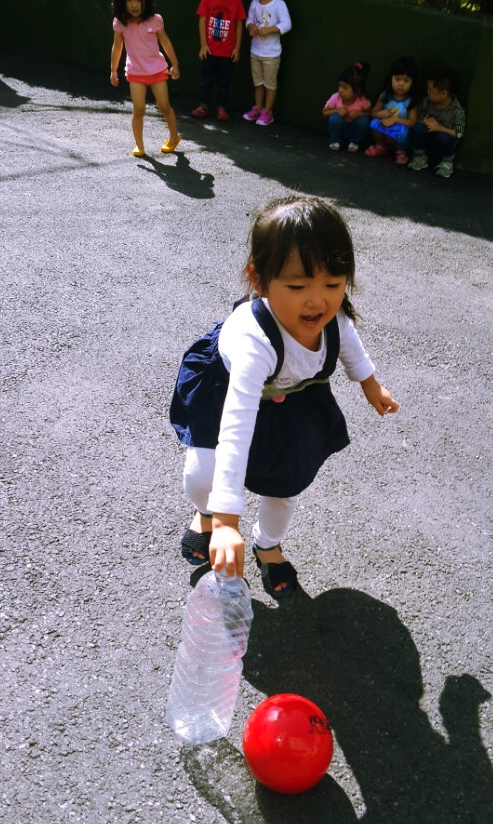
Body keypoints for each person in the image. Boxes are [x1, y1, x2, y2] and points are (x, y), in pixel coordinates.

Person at [170, 197, 399, 599]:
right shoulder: (253, 341)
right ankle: (205, 516)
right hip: (226, 395)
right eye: (297, 286)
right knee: (203, 475)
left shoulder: (332, 318)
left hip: (291, 398)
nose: (318, 300)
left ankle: (268, 545)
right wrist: (225, 522)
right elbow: (236, 428)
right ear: (259, 281)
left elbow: (348, 343)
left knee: (287, 483)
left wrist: (370, 384)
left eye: (333, 284)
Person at [110, 0, 180, 158]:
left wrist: (175, 64)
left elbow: (166, 43)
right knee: (138, 110)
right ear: (122, 0)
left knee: (164, 106)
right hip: (136, 73)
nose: (134, 5)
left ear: (146, 0)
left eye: (139, 0)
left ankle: (174, 137)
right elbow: (117, 47)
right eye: (129, 0)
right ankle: (139, 145)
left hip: (157, 71)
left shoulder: (155, 20)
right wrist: (113, 70)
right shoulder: (120, 23)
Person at [191, 0, 246, 122]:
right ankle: (203, 106)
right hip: (209, 51)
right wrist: (203, 45)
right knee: (206, 80)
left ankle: (222, 108)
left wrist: (237, 48)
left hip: (227, 53)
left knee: (224, 82)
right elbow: (202, 21)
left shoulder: (237, 2)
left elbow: (239, 25)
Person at [242, 0, 291, 126]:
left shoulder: (279, 4)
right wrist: (251, 28)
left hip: (271, 54)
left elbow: (287, 24)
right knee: (258, 83)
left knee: (270, 85)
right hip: (255, 52)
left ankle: (267, 112)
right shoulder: (254, 3)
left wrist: (269, 30)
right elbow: (249, 20)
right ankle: (258, 108)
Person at [409, 66, 466, 178]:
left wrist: (440, 128)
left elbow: (459, 133)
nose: (428, 92)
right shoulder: (427, 102)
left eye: (430, 90)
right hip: (429, 138)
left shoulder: (457, 110)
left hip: (444, 141)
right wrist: (423, 121)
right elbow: (420, 118)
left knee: (443, 137)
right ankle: (420, 157)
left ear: (443, 94)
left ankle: (447, 163)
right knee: (418, 128)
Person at [366, 56, 419, 165]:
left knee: (403, 131)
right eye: (397, 79)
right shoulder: (385, 95)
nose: (401, 84)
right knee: (374, 123)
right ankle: (381, 147)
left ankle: (401, 152)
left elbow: (412, 122)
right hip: (385, 129)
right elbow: (373, 113)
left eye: (406, 81)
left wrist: (395, 120)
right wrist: (380, 114)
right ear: (391, 78)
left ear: (412, 82)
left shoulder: (410, 100)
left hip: (399, 134)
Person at [321, 62, 371, 152]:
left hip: (354, 129)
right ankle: (335, 141)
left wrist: (359, 114)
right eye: (340, 86)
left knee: (364, 121)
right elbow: (324, 112)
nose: (340, 90)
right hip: (341, 129)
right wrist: (337, 111)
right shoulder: (335, 97)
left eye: (345, 88)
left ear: (357, 91)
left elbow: (370, 114)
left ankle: (354, 143)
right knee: (335, 118)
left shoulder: (362, 100)